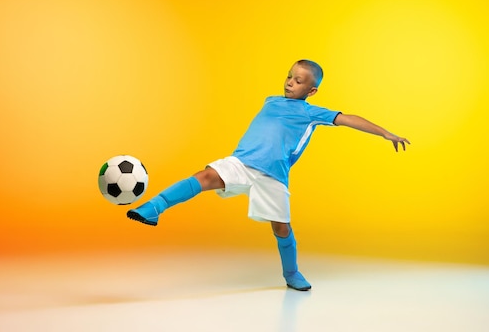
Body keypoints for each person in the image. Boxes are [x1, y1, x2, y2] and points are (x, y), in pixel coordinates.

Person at [127, 59, 410, 291]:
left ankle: (292, 273)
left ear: (311, 91)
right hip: (241, 162)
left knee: (280, 227)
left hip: (272, 176)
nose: (290, 82)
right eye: (289, 76)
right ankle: (153, 208)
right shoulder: (270, 101)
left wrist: (385, 133)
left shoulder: (311, 112)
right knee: (205, 177)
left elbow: (348, 119)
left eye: (299, 81)